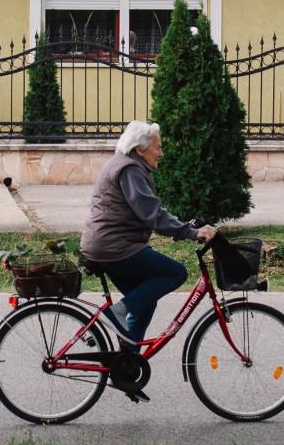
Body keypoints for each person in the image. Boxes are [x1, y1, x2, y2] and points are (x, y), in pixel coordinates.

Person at [80, 120, 217, 397]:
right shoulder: (130, 169)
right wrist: (191, 233)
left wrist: (184, 226)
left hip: (111, 245)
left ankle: (126, 367)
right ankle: (116, 313)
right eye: (158, 147)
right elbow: (151, 214)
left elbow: (151, 209)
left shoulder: (128, 164)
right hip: (115, 246)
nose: (161, 153)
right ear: (141, 148)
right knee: (174, 273)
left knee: (146, 300)